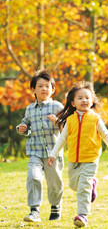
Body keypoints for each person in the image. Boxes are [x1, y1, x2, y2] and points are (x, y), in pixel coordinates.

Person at [47, 81, 108, 228]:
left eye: (87, 97)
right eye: (80, 98)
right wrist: (53, 154)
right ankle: (93, 184)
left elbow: (106, 135)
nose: (84, 100)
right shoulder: (70, 120)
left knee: (83, 188)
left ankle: (83, 215)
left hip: (90, 159)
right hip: (74, 159)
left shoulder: (95, 119)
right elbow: (62, 139)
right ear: (73, 103)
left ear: (92, 101)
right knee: (74, 185)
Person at [16, 70, 65, 223]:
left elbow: (66, 128)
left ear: (53, 90)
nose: (44, 89)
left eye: (48, 86)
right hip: (35, 151)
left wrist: (56, 121)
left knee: (54, 182)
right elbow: (26, 124)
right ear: (33, 90)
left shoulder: (57, 106)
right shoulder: (30, 109)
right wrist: (22, 128)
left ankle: (56, 206)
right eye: (40, 86)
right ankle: (34, 210)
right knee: (33, 176)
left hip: (53, 152)